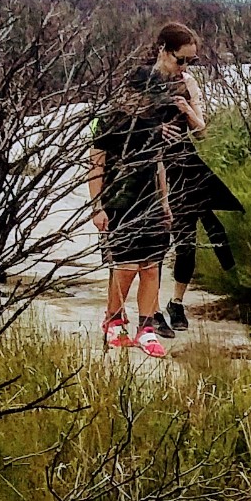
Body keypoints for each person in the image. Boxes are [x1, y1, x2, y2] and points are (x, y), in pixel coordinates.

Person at [88, 22, 201, 357]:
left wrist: (165, 202)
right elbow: (97, 164)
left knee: (151, 265)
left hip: (150, 199)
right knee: (124, 266)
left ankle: (146, 327)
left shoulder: (154, 121)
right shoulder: (111, 121)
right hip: (119, 198)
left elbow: (158, 163)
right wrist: (97, 207)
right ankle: (113, 321)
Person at [159, 63, 243, 336]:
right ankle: (151, 309)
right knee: (158, 239)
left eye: (189, 60)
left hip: (186, 164)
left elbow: (202, 131)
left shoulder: (188, 81)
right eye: (182, 58)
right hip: (155, 164)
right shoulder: (145, 77)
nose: (184, 65)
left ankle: (177, 302)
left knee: (190, 239)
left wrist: (187, 111)